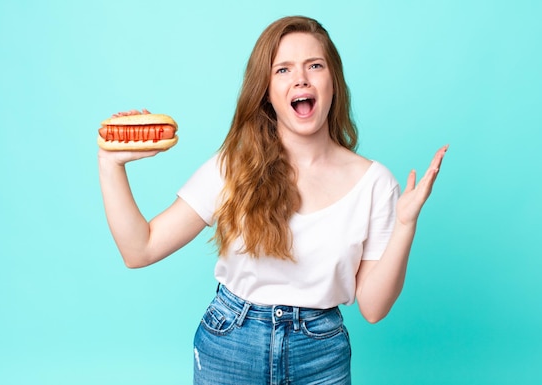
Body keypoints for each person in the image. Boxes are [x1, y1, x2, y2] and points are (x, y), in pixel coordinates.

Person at [98, 15, 447, 385]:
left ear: (333, 83)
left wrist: (405, 224)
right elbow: (140, 250)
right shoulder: (233, 166)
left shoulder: (375, 183)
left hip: (320, 353)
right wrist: (110, 164)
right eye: (283, 69)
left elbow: (374, 308)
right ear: (266, 90)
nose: (301, 78)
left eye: (315, 65)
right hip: (231, 343)